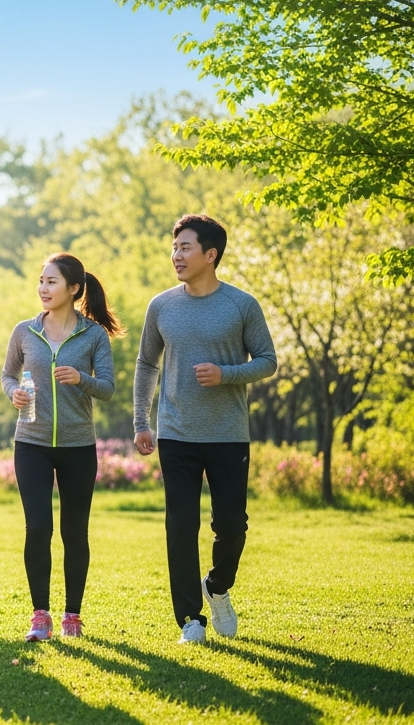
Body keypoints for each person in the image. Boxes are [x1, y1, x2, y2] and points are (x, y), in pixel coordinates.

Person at [133, 215, 277, 644]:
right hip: (176, 433)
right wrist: (142, 420)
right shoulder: (161, 305)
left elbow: (268, 361)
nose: (176, 255)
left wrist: (226, 374)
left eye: (186, 247)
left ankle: (216, 587)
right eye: (174, 247)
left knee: (232, 526)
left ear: (210, 254)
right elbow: (146, 364)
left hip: (228, 433)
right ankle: (189, 620)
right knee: (180, 525)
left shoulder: (241, 304)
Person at [1, 253, 120, 642]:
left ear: (73, 289)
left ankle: (72, 615)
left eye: (51, 282)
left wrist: (81, 378)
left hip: (77, 445)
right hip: (31, 442)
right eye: (41, 280)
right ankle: (40, 616)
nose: (43, 288)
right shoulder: (25, 331)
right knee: (37, 527)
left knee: (74, 531)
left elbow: (107, 388)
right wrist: (14, 392)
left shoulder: (93, 335)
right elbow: (7, 375)